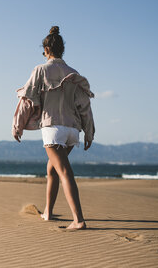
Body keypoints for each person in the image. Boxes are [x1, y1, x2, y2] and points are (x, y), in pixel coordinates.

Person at [12, 26, 95, 230]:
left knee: (64, 170)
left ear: (46, 50)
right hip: (72, 131)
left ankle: (78, 220)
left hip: (53, 128)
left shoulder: (41, 70)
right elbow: (84, 106)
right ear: (62, 49)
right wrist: (89, 132)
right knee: (53, 168)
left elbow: (27, 100)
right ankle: (48, 212)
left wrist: (18, 125)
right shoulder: (73, 73)